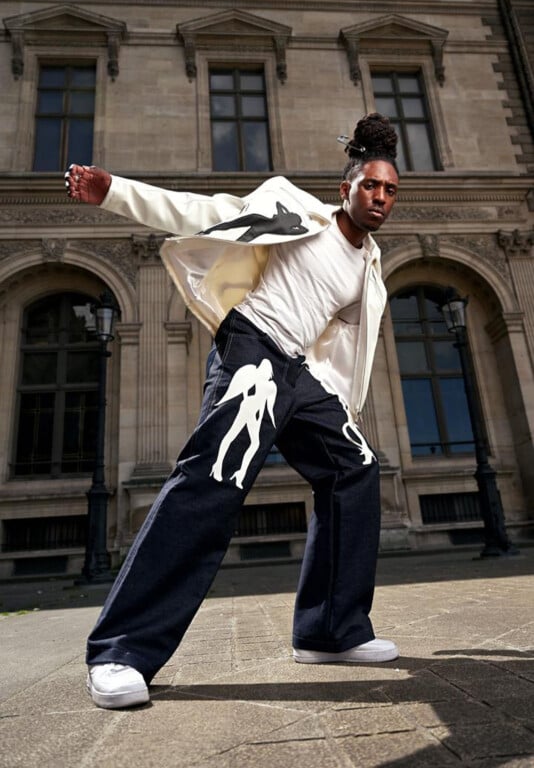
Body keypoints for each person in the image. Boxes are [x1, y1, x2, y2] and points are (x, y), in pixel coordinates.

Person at [65, 112, 400, 710]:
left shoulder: (370, 269)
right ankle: (122, 649)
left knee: (356, 466)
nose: (380, 197)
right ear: (343, 189)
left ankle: (330, 630)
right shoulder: (296, 211)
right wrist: (114, 191)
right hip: (254, 349)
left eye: (390, 190)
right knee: (215, 478)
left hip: (301, 375)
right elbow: (202, 211)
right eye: (370, 185)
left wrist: (333, 402)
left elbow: (343, 348)